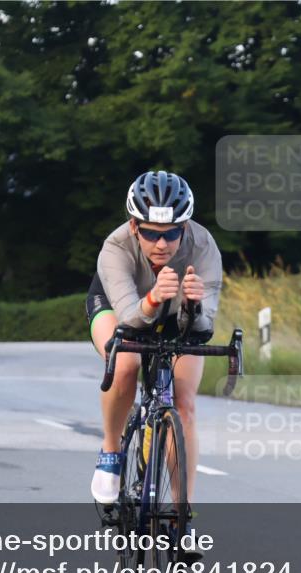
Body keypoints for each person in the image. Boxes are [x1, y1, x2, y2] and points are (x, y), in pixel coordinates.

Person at [86, 170, 222, 507]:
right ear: (134, 226)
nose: (161, 244)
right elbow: (130, 318)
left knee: (185, 403)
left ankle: (182, 511)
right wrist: (152, 299)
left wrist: (192, 305)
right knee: (124, 363)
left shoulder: (203, 247)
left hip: (175, 314)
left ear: (185, 227)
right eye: (150, 233)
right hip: (121, 305)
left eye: (172, 233)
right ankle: (111, 449)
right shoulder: (116, 247)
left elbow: (204, 329)